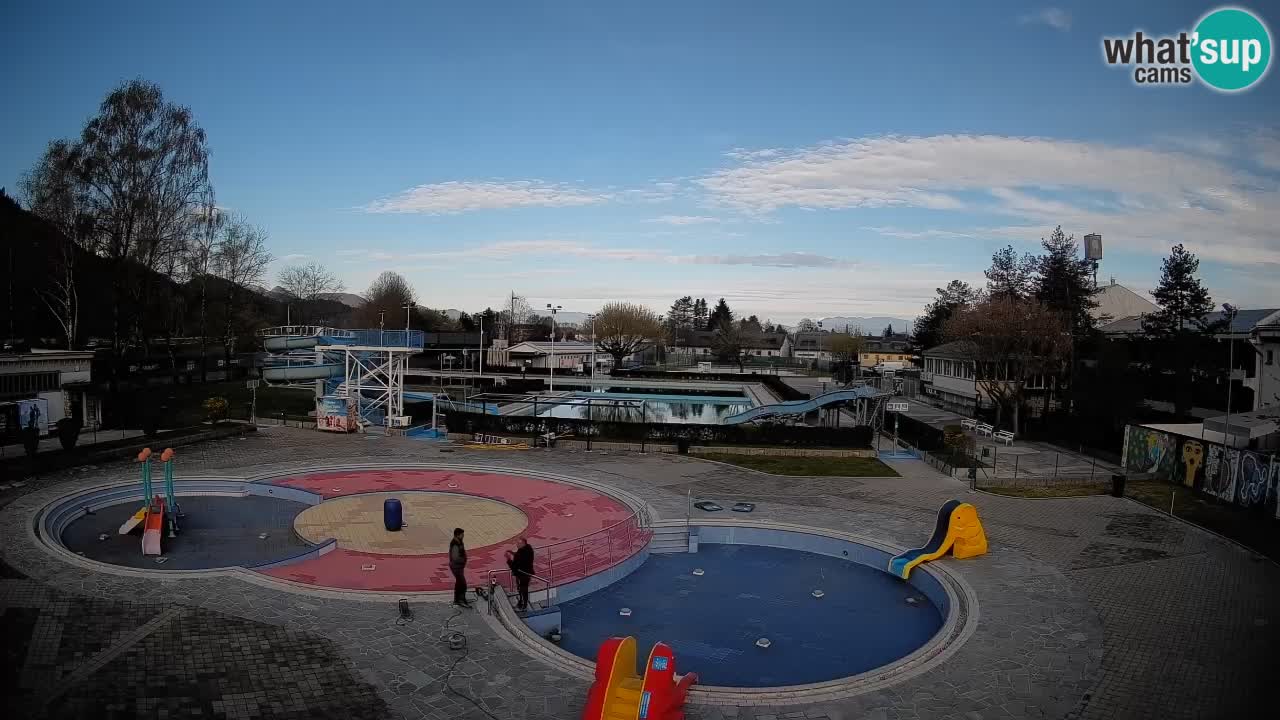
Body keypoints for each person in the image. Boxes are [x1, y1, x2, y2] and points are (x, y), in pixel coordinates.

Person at [505, 537, 535, 610]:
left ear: (523, 543)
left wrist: (508, 559)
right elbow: (520, 556)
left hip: (522, 574)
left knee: (523, 589)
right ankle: (522, 602)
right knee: (522, 589)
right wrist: (513, 553)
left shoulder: (521, 553)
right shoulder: (528, 549)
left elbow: (514, 566)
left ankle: (523, 605)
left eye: (518, 543)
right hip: (525, 572)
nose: (517, 545)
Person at [449, 527, 470, 608]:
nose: (463, 536)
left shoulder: (459, 541)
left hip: (459, 567)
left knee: (459, 583)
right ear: (458, 535)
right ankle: (460, 600)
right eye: (462, 534)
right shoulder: (455, 543)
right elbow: (455, 557)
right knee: (462, 584)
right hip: (456, 567)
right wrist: (463, 560)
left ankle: (457, 600)